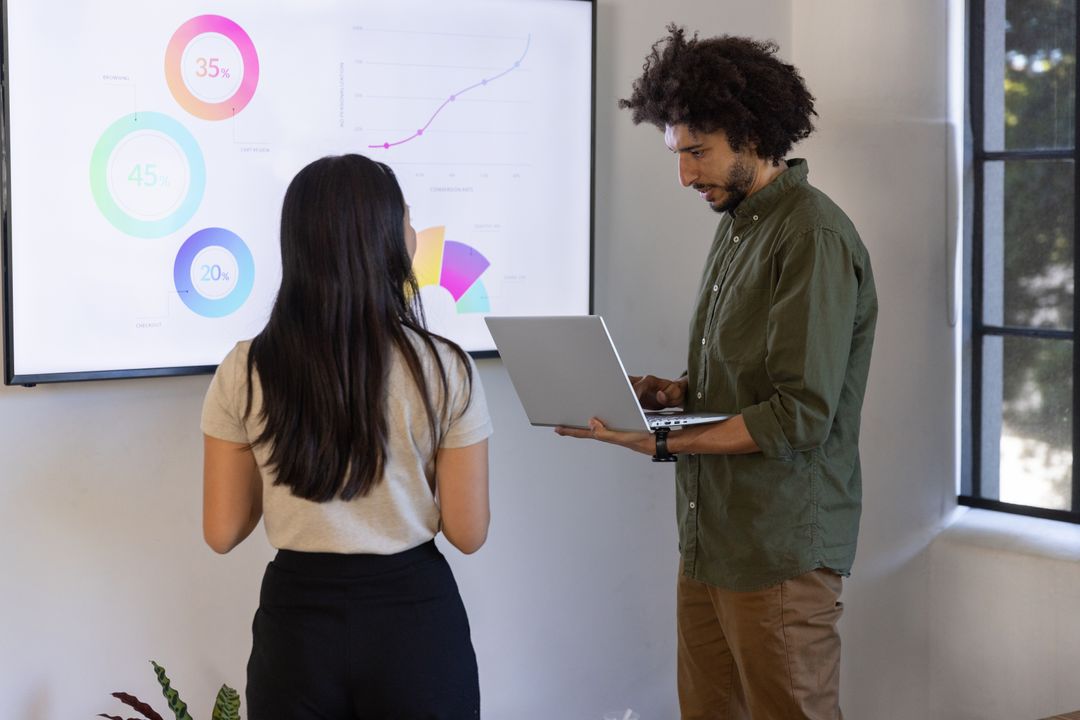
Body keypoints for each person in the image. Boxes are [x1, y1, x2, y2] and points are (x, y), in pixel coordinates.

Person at [556, 27, 877, 720]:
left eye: (697, 153)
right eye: (678, 154)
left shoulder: (811, 237)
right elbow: (746, 376)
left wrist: (664, 441)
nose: (685, 175)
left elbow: (799, 414)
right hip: (710, 543)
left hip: (778, 551)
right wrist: (671, 395)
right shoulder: (740, 228)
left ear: (751, 133)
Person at [200, 154, 492, 719]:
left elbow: (223, 530)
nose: (413, 231)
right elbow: (468, 531)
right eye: (406, 218)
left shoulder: (245, 369)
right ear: (382, 238)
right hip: (415, 620)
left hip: (298, 627)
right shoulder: (446, 367)